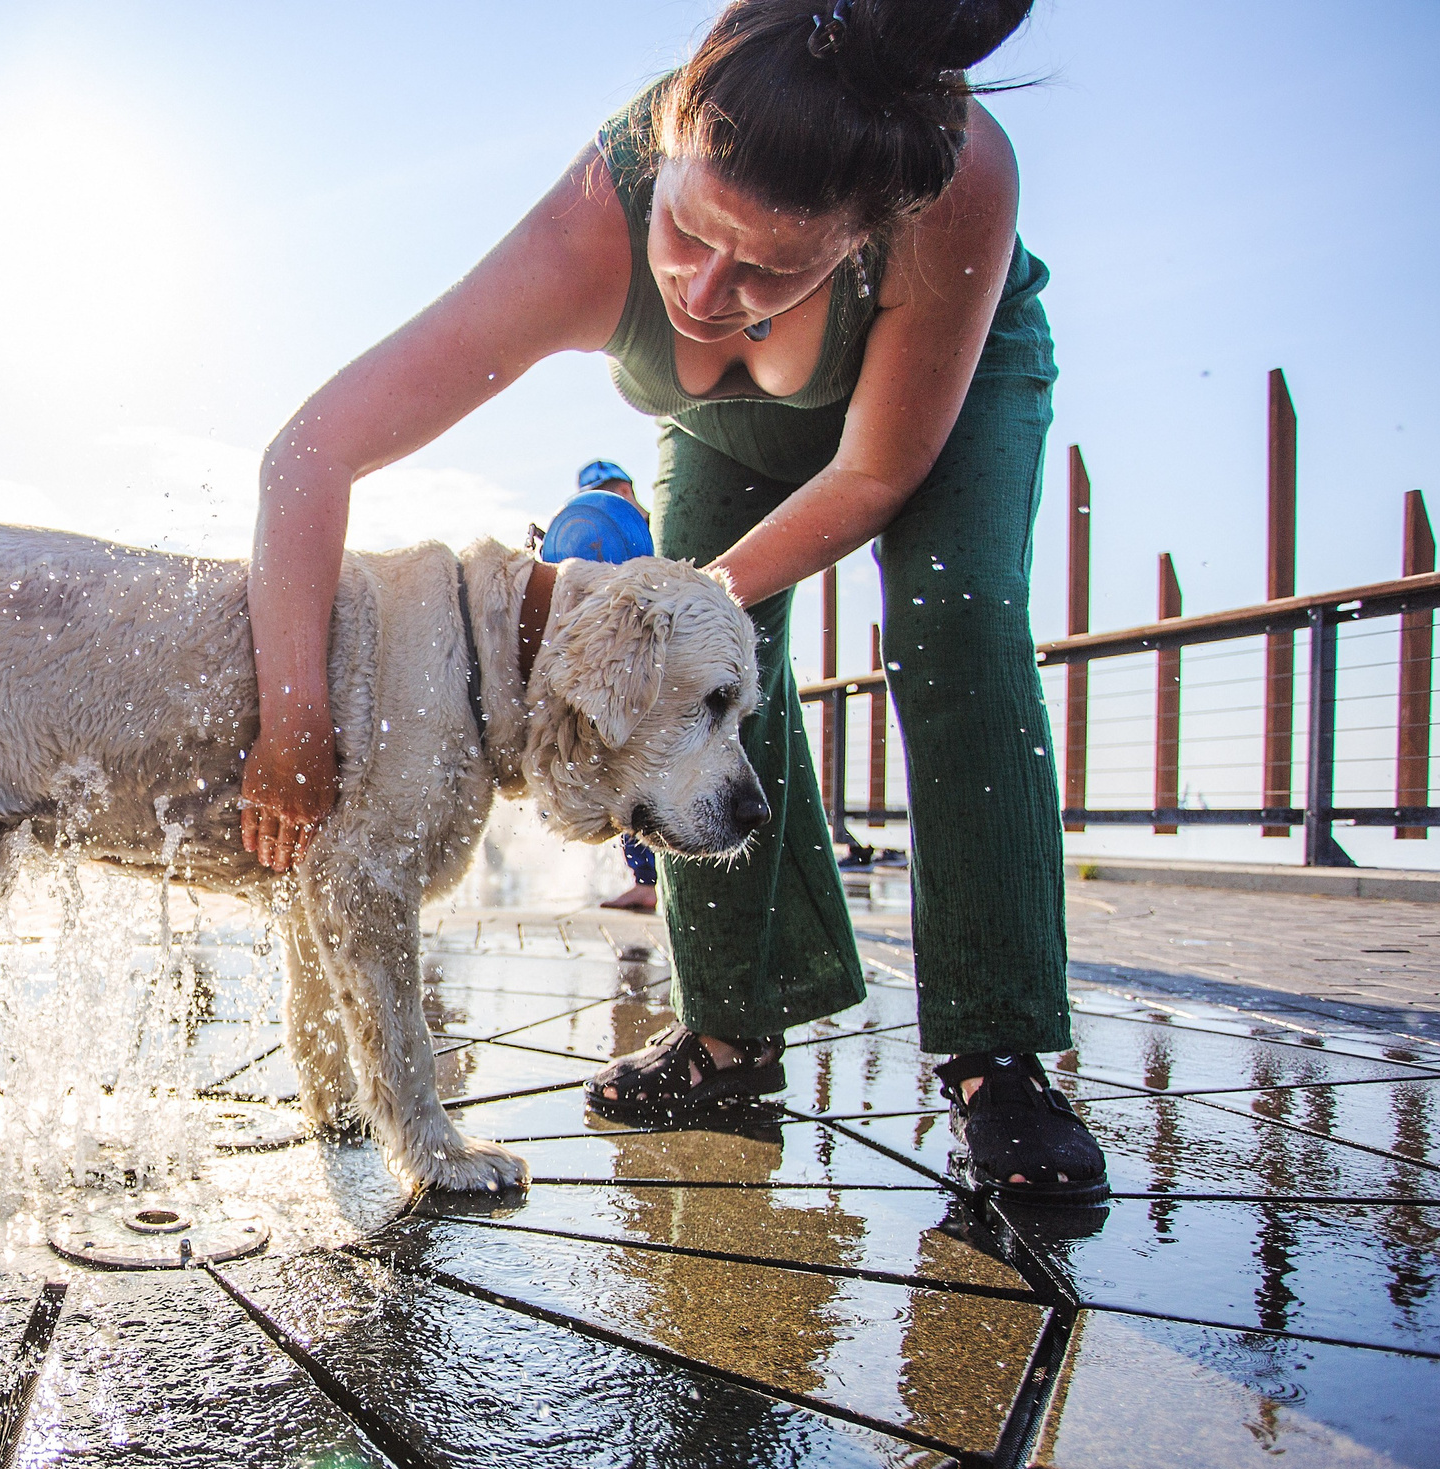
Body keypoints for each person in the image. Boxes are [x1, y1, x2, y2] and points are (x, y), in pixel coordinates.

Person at [238, 0, 1106, 1203]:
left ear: (857, 239)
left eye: (768, 266)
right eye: (688, 233)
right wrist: (294, 721)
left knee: (950, 626)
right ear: (669, 157)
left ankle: (996, 1054)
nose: (703, 290)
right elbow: (310, 454)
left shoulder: (954, 183)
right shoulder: (588, 222)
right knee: (695, 679)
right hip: (722, 424)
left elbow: (871, 475)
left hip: (932, 394)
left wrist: (676, 604)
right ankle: (733, 1029)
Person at [540, 460, 666, 914]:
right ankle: (646, 881)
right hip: (613, 682)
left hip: (660, 681)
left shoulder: (664, 533)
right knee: (619, 772)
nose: (612, 504)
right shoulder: (583, 554)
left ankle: (661, 881)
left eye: (616, 492)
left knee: (658, 772)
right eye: (599, 495)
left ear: (631, 489)